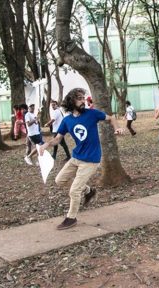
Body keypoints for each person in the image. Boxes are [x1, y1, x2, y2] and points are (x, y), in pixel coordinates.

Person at [39, 88, 123, 230]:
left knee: (74, 191)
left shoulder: (92, 114)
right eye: (79, 98)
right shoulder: (67, 120)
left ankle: (71, 218)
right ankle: (89, 191)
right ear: (71, 101)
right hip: (76, 157)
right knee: (59, 180)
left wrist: (118, 128)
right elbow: (58, 139)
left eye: (83, 98)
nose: (83, 101)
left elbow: (111, 118)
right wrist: (46, 144)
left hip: (91, 159)